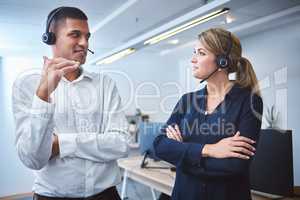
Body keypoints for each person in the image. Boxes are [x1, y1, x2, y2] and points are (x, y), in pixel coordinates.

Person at [12, 6, 130, 200]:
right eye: (75, 35)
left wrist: (61, 144)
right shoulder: (27, 85)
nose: (84, 43)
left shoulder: (105, 84)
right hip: (52, 196)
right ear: (50, 38)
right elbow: (33, 158)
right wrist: (43, 94)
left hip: (106, 195)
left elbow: (121, 144)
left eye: (87, 36)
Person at [153, 28, 263, 200]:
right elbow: (159, 146)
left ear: (222, 61)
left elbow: (235, 165)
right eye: (194, 52)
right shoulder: (187, 101)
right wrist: (209, 150)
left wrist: (181, 155)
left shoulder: (249, 101)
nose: (193, 59)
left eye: (201, 53)